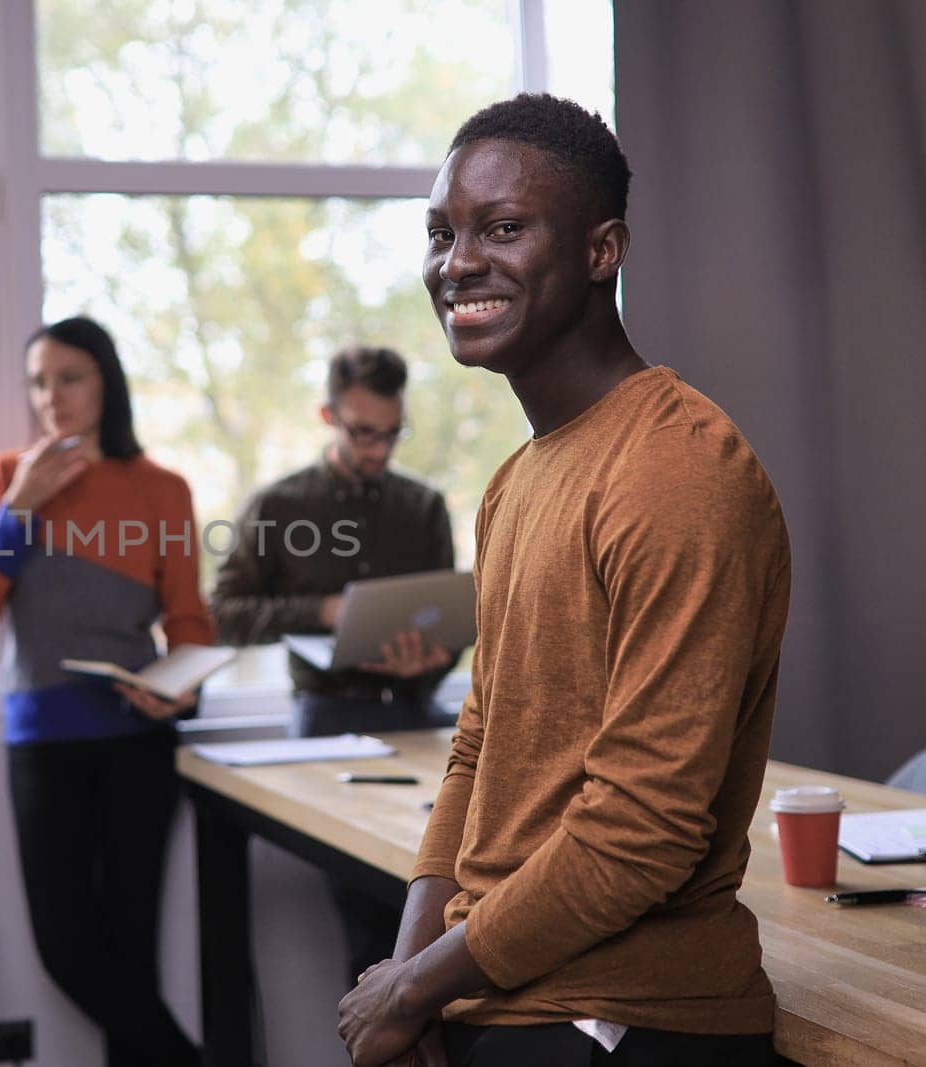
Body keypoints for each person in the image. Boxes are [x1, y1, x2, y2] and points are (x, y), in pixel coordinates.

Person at [337, 94, 789, 1067]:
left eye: (501, 228)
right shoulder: (516, 479)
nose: (457, 262)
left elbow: (644, 829)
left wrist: (412, 985)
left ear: (601, 250)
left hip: (617, 1018)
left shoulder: (678, 467)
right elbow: (478, 749)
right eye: (440, 232)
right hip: (491, 993)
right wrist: (407, 982)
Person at [0, 316, 210, 1067]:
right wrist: (22, 503)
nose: (51, 396)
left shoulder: (163, 489)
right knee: (66, 947)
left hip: (139, 740)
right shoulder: (8, 477)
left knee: (132, 954)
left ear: (106, 383)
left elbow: (189, 622)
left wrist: (179, 691)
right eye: (39, 381)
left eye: (70, 378)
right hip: (44, 742)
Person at [211, 343, 458, 989]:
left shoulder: (424, 506)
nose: (378, 448)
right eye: (362, 432)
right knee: (367, 925)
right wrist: (318, 610)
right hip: (326, 723)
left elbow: (449, 621)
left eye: (392, 432)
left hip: (417, 719)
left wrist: (431, 660)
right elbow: (224, 612)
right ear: (328, 415)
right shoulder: (280, 504)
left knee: (441, 914)